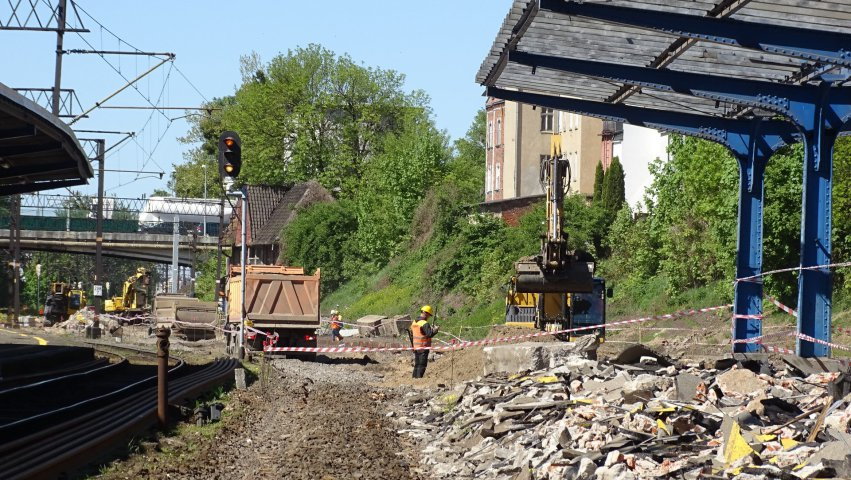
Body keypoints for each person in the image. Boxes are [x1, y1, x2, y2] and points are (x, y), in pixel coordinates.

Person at [409, 305, 439, 378]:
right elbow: (429, 334)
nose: (429, 317)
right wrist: (435, 330)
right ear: (425, 313)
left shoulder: (414, 322)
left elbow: (414, 333)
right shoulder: (424, 323)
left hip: (416, 347)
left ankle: (414, 378)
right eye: (429, 315)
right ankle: (418, 379)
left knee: (417, 364)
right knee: (422, 365)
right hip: (423, 346)